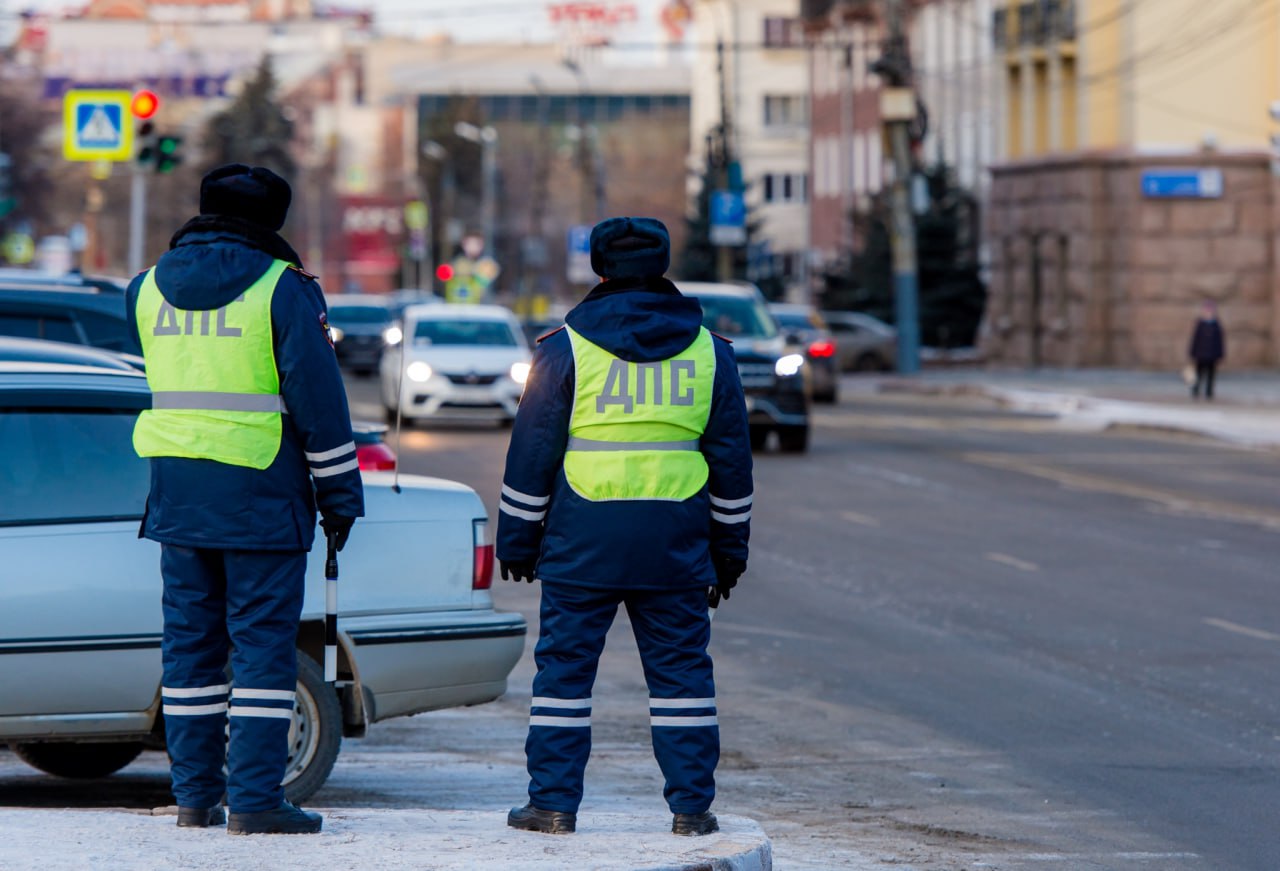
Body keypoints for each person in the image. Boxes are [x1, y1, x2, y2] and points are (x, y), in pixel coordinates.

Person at [126, 164, 364, 835]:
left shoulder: (145, 290)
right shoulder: (282, 291)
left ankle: (195, 798)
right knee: (262, 650)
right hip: (261, 496)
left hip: (177, 498)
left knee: (189, 652)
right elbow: (321, 406)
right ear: (272, 222)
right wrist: (341, 497)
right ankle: (257, 799)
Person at [496, 216, 753, 837]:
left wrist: (518, 540)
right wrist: (729, 554)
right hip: (675, 543)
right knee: (684, 678)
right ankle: (692, 810)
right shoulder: (709, 353)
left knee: (563, 676)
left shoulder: (563, 350)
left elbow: (533, 455)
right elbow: (731, 465)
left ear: (599, 269)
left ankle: (553, 806)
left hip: (582, 541)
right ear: (663, 264)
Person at [1188, 300, 1226, 400]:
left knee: (1211, 375)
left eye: (1210, 311)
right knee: (1198, 374)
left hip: (1212, 355)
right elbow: (1195, 339)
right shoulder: (1200, 324)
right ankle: (1195, 390)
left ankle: (1209, 392)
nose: (1208, 313)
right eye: (1206, 311)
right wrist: (1192, 352)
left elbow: (1219, 341)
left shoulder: (1216, 324)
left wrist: (1220, 354)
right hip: (1200, 354)